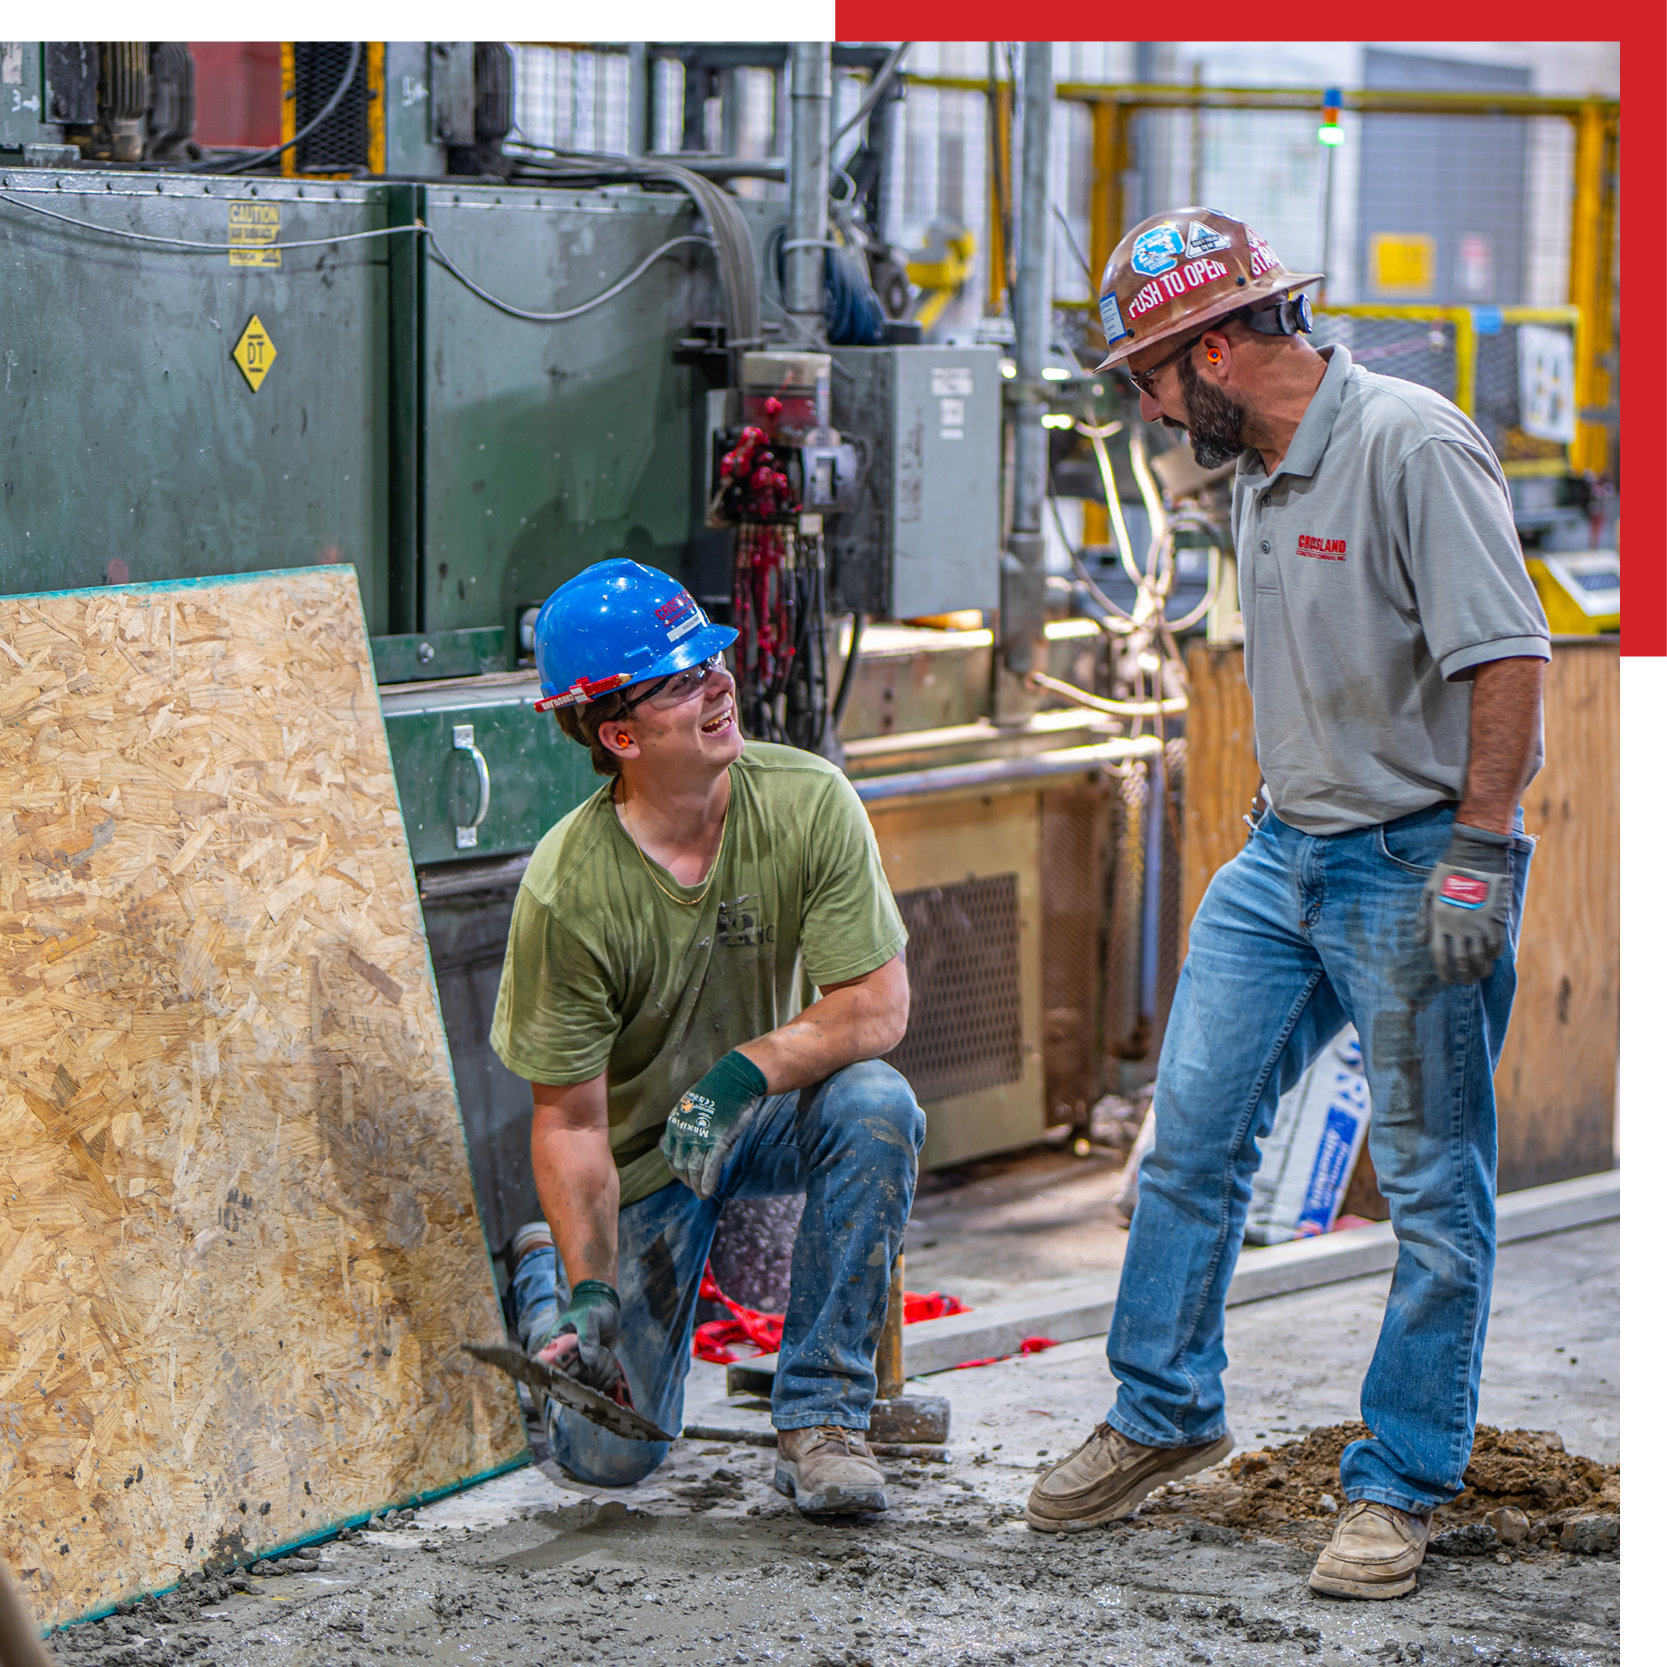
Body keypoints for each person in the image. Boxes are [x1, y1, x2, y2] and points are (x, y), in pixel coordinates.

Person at [1025, 210, 1549, 1601]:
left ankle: (1397, 1480)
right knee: (1188, 1136)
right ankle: (1160, 1410)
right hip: (1282, 860)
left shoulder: (1407, 444)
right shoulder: (1253, 469)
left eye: (1146, 377)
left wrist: (1476, 850)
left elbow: (1505, 658)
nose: (1142, 408)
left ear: (1212, 347)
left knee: (1432, 1189)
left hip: (1413, 857)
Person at [490, 557, 920, 1515]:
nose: (719, 684)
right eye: (682, 679)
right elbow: (569, 1123)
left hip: (752, 1114)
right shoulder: (568, 889)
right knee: (607, 1461)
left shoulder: (809, 801)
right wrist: (595, 1286)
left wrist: (739, 1074)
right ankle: (545, 1279)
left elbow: (877, 1007)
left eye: (712, 661)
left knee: (876, 1102)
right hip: (645, 1157)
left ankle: (820, 1418)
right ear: (619, 732)